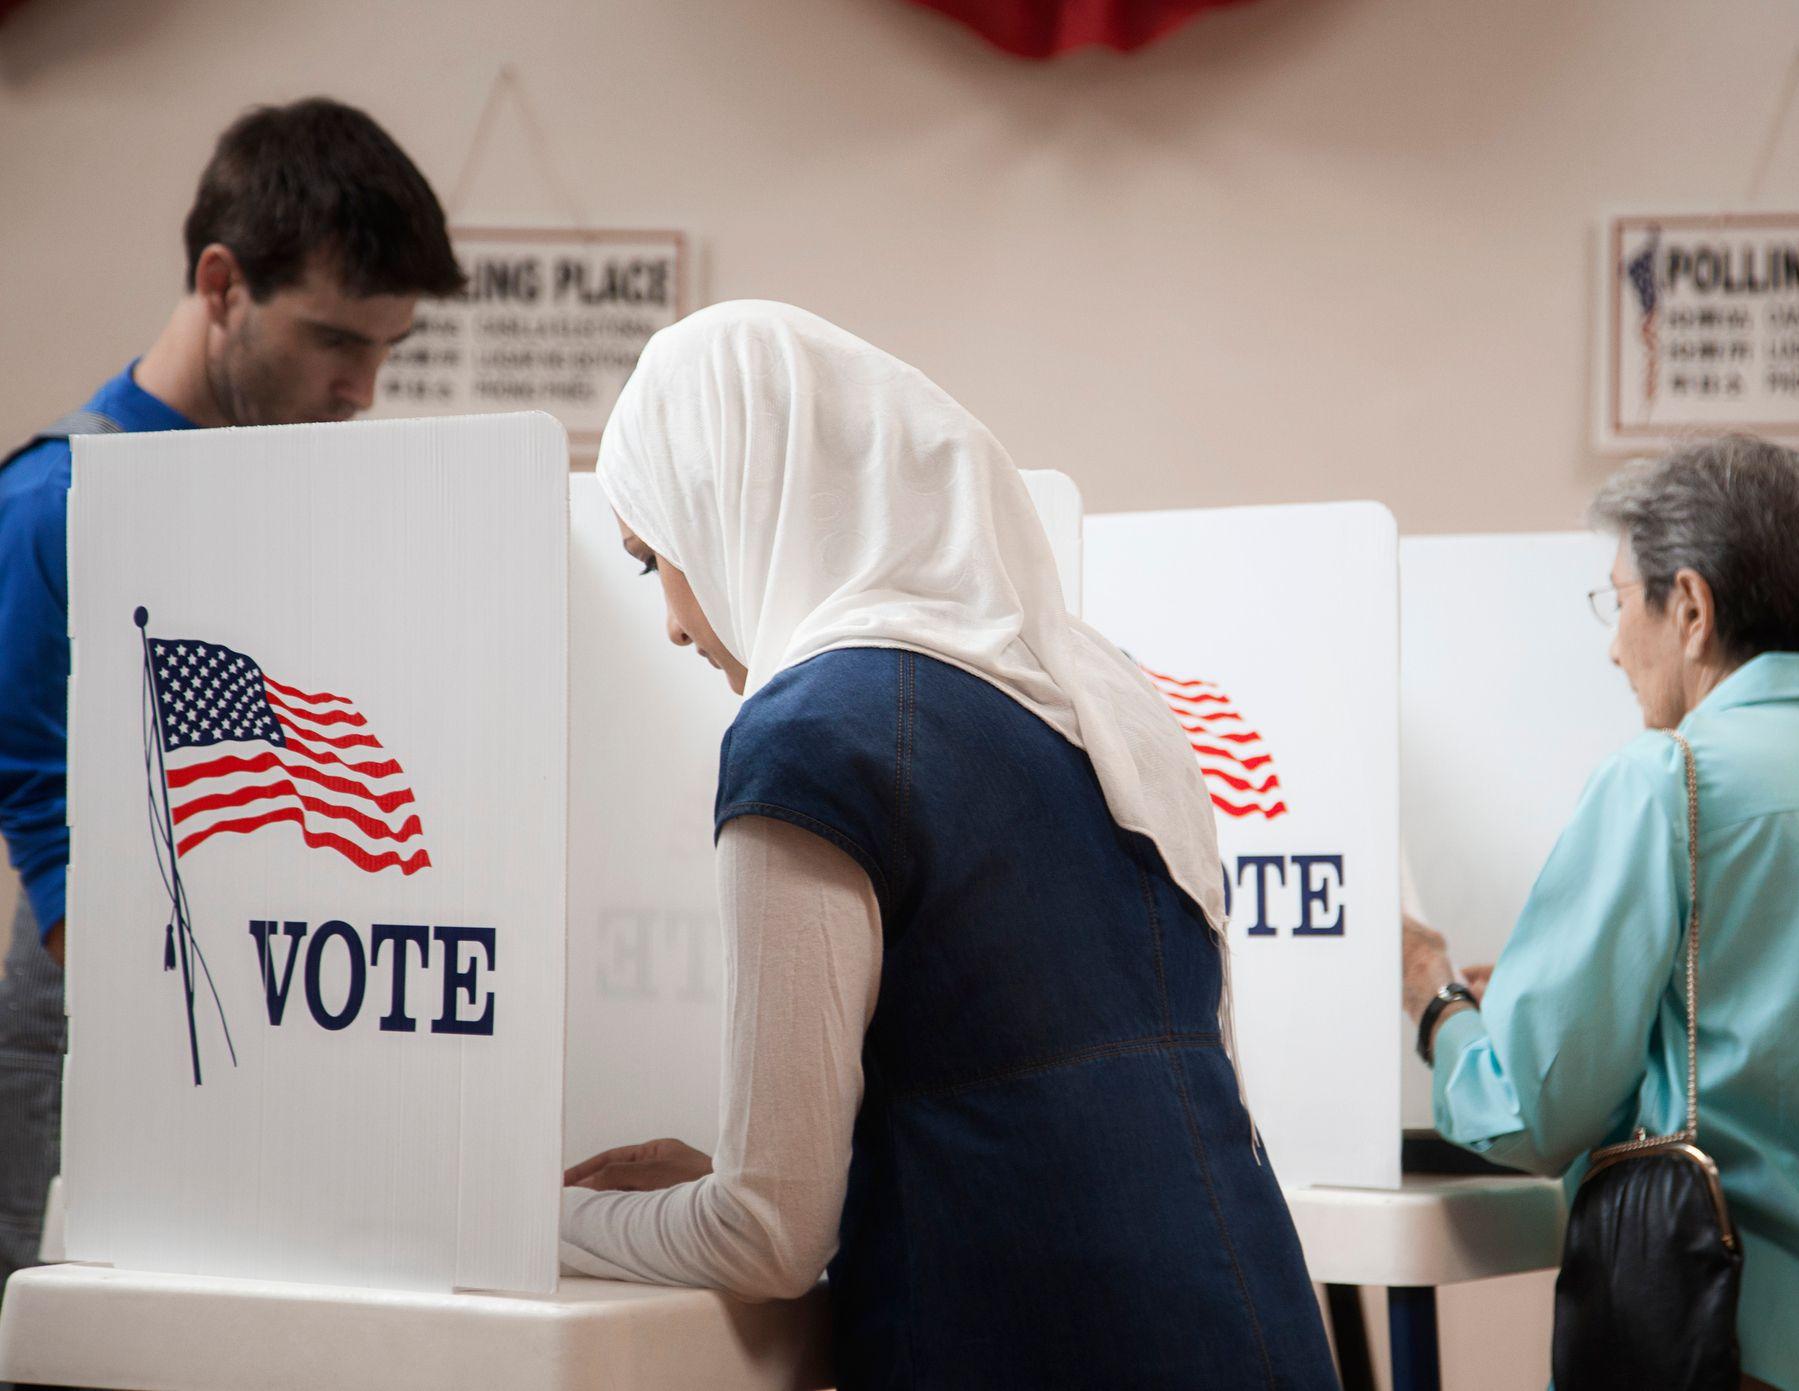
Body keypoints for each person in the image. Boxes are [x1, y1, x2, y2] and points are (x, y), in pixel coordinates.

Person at [558, 301, 1338, 1390]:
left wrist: (535, 1215)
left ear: (735, 497)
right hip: (1255, 1323)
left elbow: (764, 1240)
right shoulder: (1103, 695)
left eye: (656, 561)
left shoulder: (808, 738)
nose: (676, 624)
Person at [1399, 435, 1799, 1391]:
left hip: (1759, 1356)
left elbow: (1529, 1111)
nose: (1614, 643)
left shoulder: (1668, 780)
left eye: (1620, 602)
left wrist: (1439, 1003)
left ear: (1691, 608)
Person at [0, 97, 462, 1306]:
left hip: (281, 1015)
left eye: (385, 349)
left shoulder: (297, 478)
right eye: (332, 341)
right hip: (103, 1038)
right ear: (221, 284)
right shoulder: (58, 496)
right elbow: (42, 806)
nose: (362, 386)